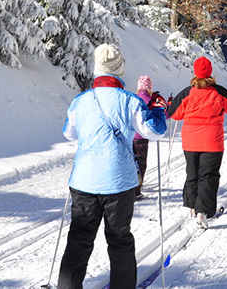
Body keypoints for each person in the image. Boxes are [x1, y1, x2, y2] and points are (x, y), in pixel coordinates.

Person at [58, 44, 168, 289]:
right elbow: (155, 131)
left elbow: (69, 133)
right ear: (119, 70)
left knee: (78, 240)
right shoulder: (130, 101)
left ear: (97, 69)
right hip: (119, 183)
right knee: (119, 241)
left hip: (84, 182)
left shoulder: (81, 100)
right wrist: (158, 109)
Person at [167, 56, 227, 229]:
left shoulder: (187, 92)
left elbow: (174, 113)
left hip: (190, 141)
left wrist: (172, 102)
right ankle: (203, 211)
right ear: (210, 72)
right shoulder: (219, 92)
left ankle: (193, 206)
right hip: (212, 142)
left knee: (192, 173)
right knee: (208, 176)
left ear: (195, 72)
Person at [133, 75, 167, 198]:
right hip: (143, 136)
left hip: (131, 135)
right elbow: (164, 115)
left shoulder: (134, 98)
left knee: (131, 161)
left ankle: (131, 186)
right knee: (140, 163)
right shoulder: (152, 100)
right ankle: (136, 190)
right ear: (149, 87)